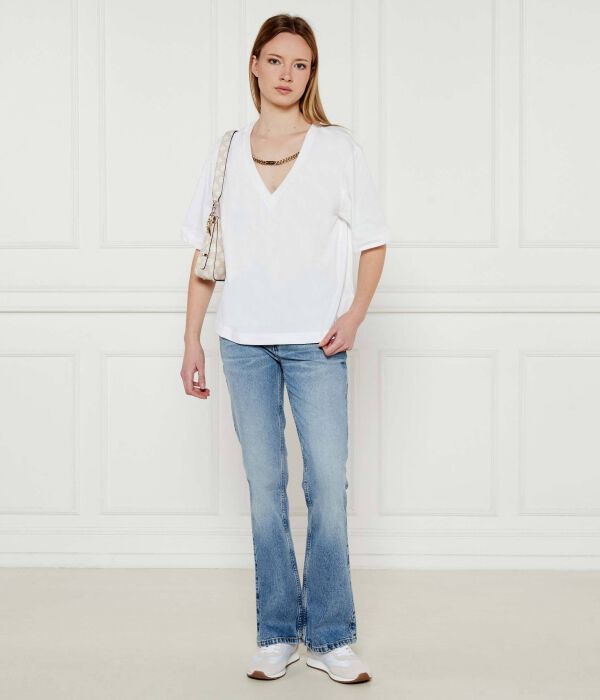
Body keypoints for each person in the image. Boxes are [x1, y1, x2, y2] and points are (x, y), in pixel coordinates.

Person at [180, 13, 389, 685]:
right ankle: (277, 633)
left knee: (326, 483)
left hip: (316, 344)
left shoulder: (336, 148)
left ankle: (331, 636)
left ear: (311, 73)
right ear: (254, 64)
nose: (286, 74)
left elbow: (373, 241)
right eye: (275, 60)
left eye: (300, 64)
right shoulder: (226, 151)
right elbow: (205, 256)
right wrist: (191, 340)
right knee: (265, 488)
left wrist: (354, 315)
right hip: (242, 343)